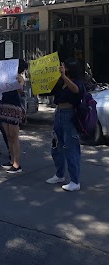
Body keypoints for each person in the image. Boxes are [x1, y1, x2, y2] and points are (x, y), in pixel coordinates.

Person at [46, 59, 83, 192]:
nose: (62, 67)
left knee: (71, 147)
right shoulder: (61, 82)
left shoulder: (76, 81)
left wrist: (63, 76)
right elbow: (48, 91)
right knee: (56, 145)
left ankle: (75, 181)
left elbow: (76, 90)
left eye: (64, 67)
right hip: (59, 113)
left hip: (70, 114)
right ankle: (59, 174)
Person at [0, 59, 28, 174]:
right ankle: (11, 160)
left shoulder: (19, 77)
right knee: (8, 136)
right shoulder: (5, 76)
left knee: (14, 137)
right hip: (4, 105)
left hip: (14, 107)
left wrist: (14, 80)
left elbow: (20, 89)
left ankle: (17, 164)